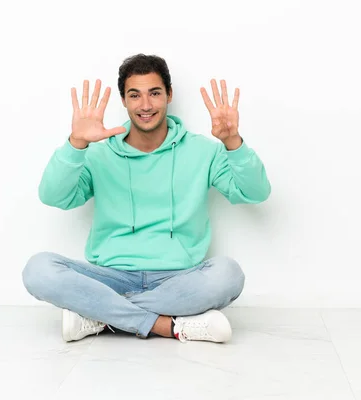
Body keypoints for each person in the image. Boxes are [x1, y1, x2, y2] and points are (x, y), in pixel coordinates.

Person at [22, 54, 271, 344]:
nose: (145, 105)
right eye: (135, 95)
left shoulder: (204, 151)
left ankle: (100, 316)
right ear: (124, 101)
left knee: (228, 275)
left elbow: (255, 192)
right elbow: (54, 196)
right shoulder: (99, 153)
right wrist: (76, 145)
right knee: (38, 269)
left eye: (154, 93)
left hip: (178, 279)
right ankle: (168, 326)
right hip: (109, 277)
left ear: (169, 95)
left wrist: (232, 142)